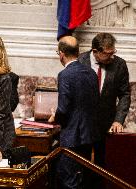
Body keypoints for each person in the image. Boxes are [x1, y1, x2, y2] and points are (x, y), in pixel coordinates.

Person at [78, 33, 131, 188]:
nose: (111, 57)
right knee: (82, 165)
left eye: (113, 52)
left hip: (106, 125)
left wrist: (118, 120)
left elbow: (125, 94)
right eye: (108, 54)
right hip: (83, 125)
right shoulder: (80, 61)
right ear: (95, 51)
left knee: (103, 167)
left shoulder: (119, 64)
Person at [48, 36, 99, 189]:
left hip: (72, 137)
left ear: (61, 54)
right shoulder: (90, 72)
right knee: (82, 179)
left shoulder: (65, 75)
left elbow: (63, 109)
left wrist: (54, 117)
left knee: (68, 180)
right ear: (77, 52)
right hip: (88, 135)